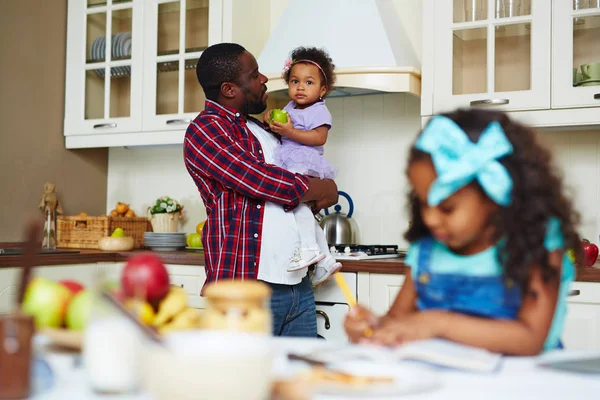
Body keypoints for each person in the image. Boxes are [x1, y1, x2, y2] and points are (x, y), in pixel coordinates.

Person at [344, 108, 582, 355]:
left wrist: (438, 323)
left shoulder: (538, 242)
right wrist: (369, 327)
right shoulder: (427, 248)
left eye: (447, 208)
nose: (430, 219)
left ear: (493, 197)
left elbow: (530, 339)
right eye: (424, 203)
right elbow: (397, 322)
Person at [184, 43, 339, 337]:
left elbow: (296, 178)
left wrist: (320, 188)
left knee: (298, 380)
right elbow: (258, 180)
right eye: (255, 75)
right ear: (229, 89)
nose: (265, 79)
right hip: (246, 289)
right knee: (246, 381)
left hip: (297, 287)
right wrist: (323, 187)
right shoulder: (205, 130)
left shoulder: (258, 129)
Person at [264, 47, 342, 286]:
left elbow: (319, 138)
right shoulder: (290, 107)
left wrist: (289, 131)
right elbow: (283, 128)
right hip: (288, 159)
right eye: (295, 81)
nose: (300, 87)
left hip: (304, 161)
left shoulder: (319, 110)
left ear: (322, 90)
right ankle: (325, 259)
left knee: (296, 204)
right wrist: (271, 121)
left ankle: (308, 249)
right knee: (302, 209)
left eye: (309, 82)